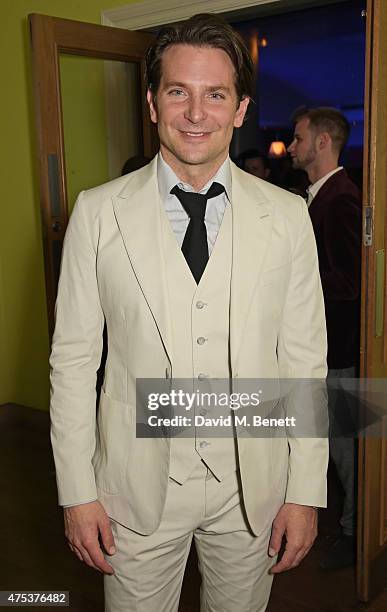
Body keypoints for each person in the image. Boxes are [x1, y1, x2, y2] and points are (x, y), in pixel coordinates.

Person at [50, 14, 328, 612]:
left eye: (215, 95)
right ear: (153, 103)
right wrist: (77, 492)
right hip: (133, 487)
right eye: (179, 91)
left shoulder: (287, 217)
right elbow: (73, 362)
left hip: (253, 485)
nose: (196, 113)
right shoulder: (97, 214)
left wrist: (305, 491)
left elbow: (304, 362)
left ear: (241, 108)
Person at [288, 107, 362, 570]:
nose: (290, 146)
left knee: (343, 445)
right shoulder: (316, 195)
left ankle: (356, 534)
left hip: (335, 346)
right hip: (318, 345)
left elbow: (351, 282)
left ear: (321, 143)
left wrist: (294, 282)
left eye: (297, 138)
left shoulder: (340, 199)